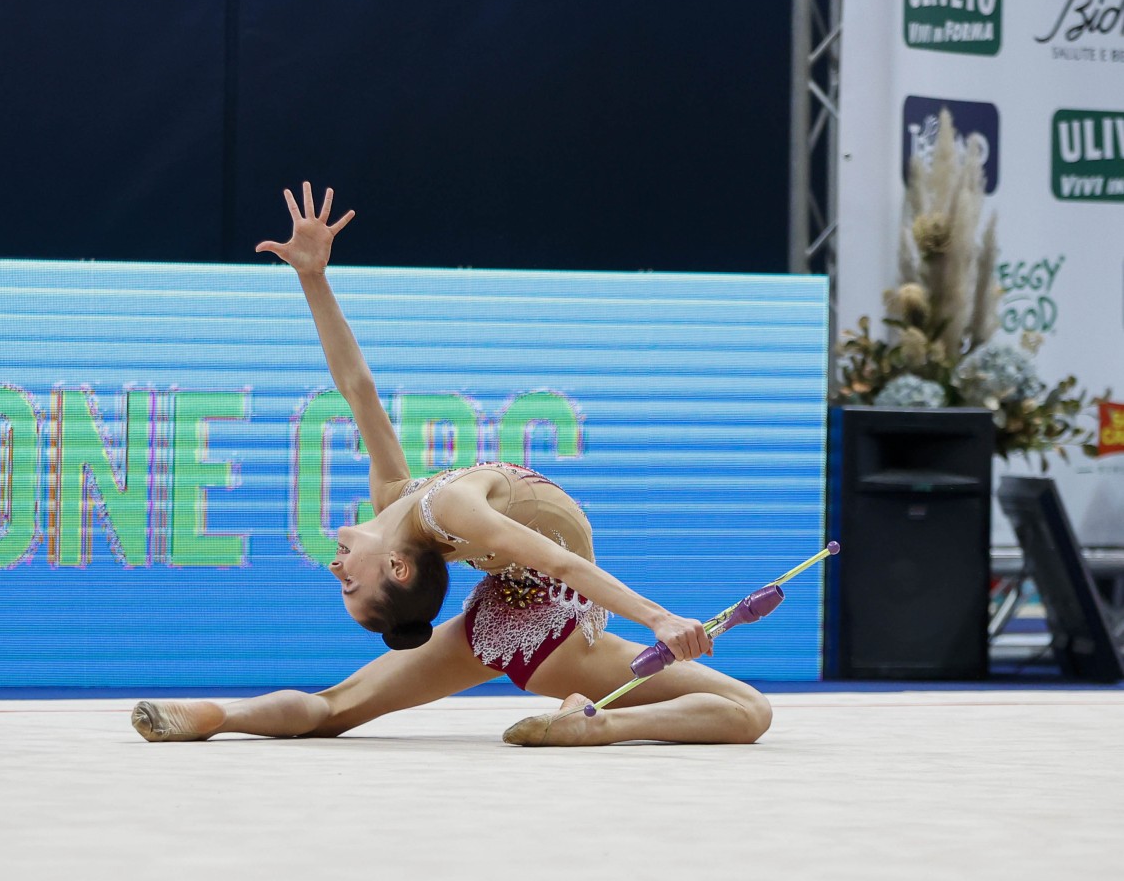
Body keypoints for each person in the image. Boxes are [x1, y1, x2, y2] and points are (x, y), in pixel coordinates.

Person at [131, 183, 773, 747]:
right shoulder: (452, 509)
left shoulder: (397, 498)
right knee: (748, 710)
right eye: (350, 585)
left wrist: (313, 279)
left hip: (497, 625)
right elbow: (561, 565)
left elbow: (357, 388)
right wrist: (660, 618)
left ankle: (219, 715)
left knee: (334, 707)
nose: (335, 569)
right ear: (397, 567)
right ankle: (599, 725)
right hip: (553, 636)